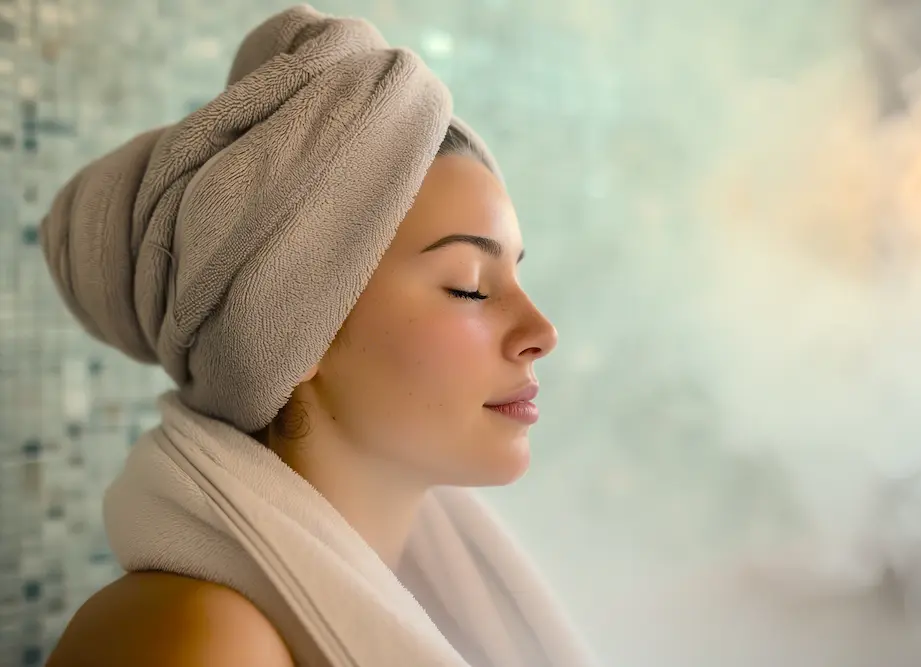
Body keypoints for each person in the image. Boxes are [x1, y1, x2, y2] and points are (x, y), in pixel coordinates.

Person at [42, 6, 596, 667]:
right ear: (293, 327)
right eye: (470, 285)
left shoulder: (425, 605)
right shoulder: (196, 639)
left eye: (516, 274)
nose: (542, 332)